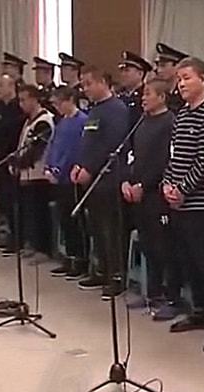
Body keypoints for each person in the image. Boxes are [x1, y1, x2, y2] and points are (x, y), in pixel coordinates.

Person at [161, 57, 204, 352]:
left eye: (187, 77)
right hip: (179, 203)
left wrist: (183, 189)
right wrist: (168, 184)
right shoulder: (182, 115)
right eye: (179, 79)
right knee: (188, 261)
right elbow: (174, 156)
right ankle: (199, 310)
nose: (181, 84)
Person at [121, 78, 184, 321]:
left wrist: (143, 185)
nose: (143, 98)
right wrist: (127, 181)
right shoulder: (142, 121)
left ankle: (172, 298)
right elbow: (133, 155)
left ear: (162, 97)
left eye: (148, 94)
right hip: (139, 194)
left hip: (157, 194)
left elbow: (165, 162)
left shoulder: (170, 122)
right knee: (148, 246)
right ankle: (152, 293)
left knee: (165, 248)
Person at [70, 66, 130, 298]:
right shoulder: (95, 110)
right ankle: (101, 269)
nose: (85, 89)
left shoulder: (116, 109)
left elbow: (111, 144)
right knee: (96, 228)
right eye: (83, 84)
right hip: (91, 179)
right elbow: (88, 142)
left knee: (110, 231)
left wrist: (90, 168)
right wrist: (79, 164)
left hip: (108, 178)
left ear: (103, 82)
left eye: (88, 83)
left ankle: (116, 275)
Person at [46, 86, 89, 279]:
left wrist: (60, 169)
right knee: (64, 218)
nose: (57, 107)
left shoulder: (82, 121)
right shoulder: (62, 122)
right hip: (58, 178)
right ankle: (69, 256)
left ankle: (80, 259)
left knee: (75, 220)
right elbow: (53, 146)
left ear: (70, 100)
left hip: (71, 177)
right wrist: (49, 166)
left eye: (59, 103)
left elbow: (76, 150)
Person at [13, 84, 55, 258]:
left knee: (39, 213)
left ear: (34, 99)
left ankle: (43, 249)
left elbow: (37, 150)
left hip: (38, 174)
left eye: (24, 100)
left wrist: (20, 163)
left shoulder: (44, 120)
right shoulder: (28, 120)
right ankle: (32, 243)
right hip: (27, 175)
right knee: (30, 212)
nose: (21, 104)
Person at [0, 74, 25, 252]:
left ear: (11, 86)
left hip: (11, 158)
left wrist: (3, 152)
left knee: (13, 199)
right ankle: (9, 232)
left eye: (0, 85)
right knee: (3, 198)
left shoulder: (17, 108)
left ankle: (18, 238)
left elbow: (13, 134)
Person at [117, 51, 152, 126]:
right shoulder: (118, 95)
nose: (123, 74)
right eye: (122, 71)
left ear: (140, 74)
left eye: (127, 71)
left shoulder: (145, 95)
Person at [153, 43, 189, 113]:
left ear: (177, 66)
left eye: (163, 66)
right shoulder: (163, 91)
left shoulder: (183, 93)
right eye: (158, 66)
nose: (159, 70)